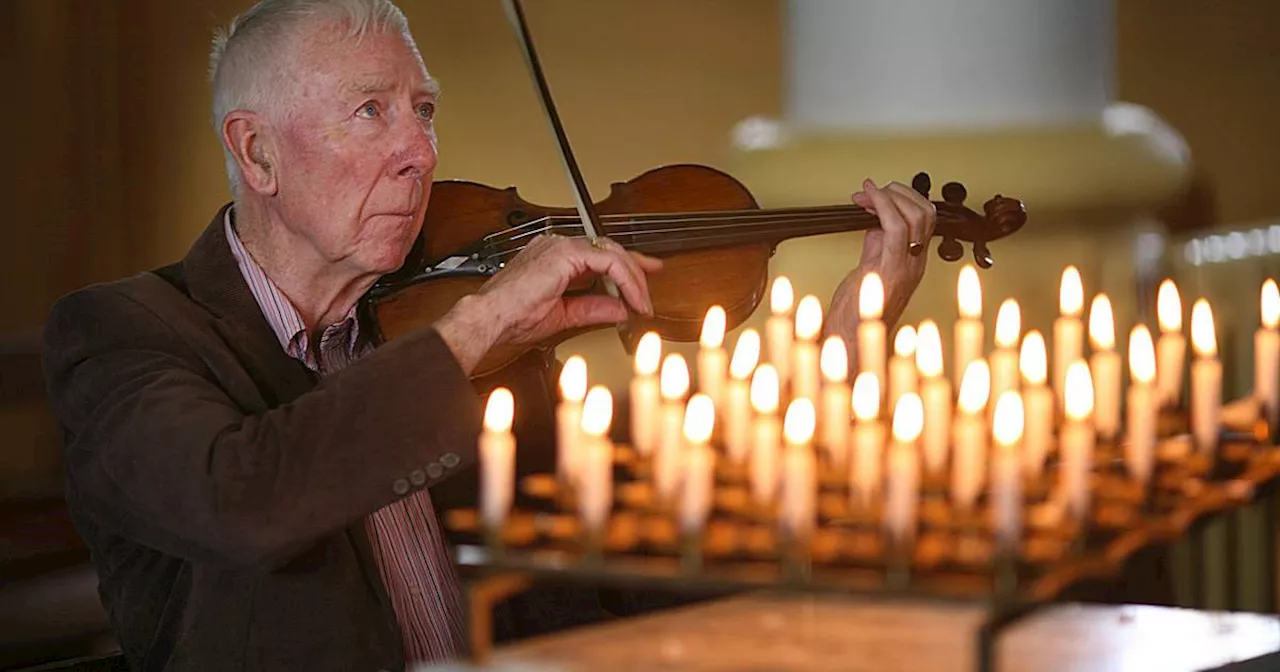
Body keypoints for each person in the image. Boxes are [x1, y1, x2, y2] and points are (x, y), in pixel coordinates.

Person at [39, 0, 936, 670]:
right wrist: (480, 322)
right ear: (258, 153)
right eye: (371, 111)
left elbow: (659, 554)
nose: (420, 151)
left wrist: (843, 351)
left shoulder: (476, 347)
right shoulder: (123, 334)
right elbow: (245, 500)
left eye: (422, 110)